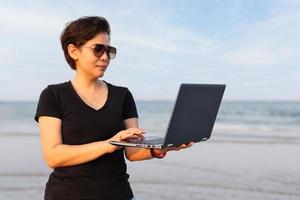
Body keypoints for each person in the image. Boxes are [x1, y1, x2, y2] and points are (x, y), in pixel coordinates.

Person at [34, 16, 193, 200]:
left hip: (119, 194)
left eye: (109, 51)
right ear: (74, 51)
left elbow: (132, 152)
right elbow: (53, 156)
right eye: (98, 49)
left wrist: (161, 148)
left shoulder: (122, 95)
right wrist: (109, 145)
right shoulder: (53, 95)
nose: (105, 57)